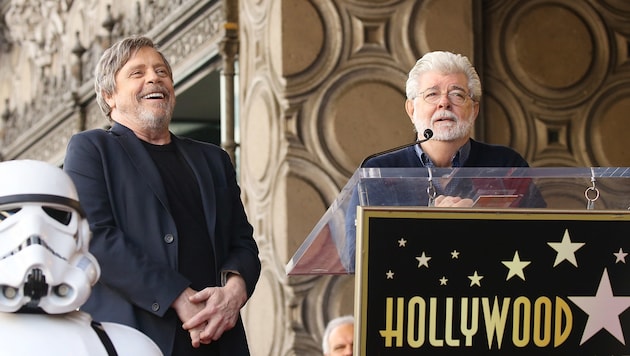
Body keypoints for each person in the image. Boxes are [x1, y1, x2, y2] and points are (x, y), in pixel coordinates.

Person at [63, 35, 261, 355]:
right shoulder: (92, 150)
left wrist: (235, 291)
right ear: (109, 95)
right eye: (137, 73)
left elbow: (242, 241)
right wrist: (178, 297)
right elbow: (95, 236)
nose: (154, 77)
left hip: (219, 338)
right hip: (135, 337)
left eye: (162, 72)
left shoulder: (213, 159)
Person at [343, 51, 546, 268]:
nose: (444, 104)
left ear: (474, 109)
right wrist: (432, 226)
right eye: (432, 94)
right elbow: (355, 259)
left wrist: (481, 222)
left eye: (457, 94)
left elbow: (542, 242)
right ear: (411, 109)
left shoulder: (505, 165)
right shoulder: (379, 172)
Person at [0, 159, 162, 355]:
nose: (35, 239)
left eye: (56, 216)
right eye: (6, 218)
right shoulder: (128, 345)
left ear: (83, 234)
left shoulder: (129, 346)